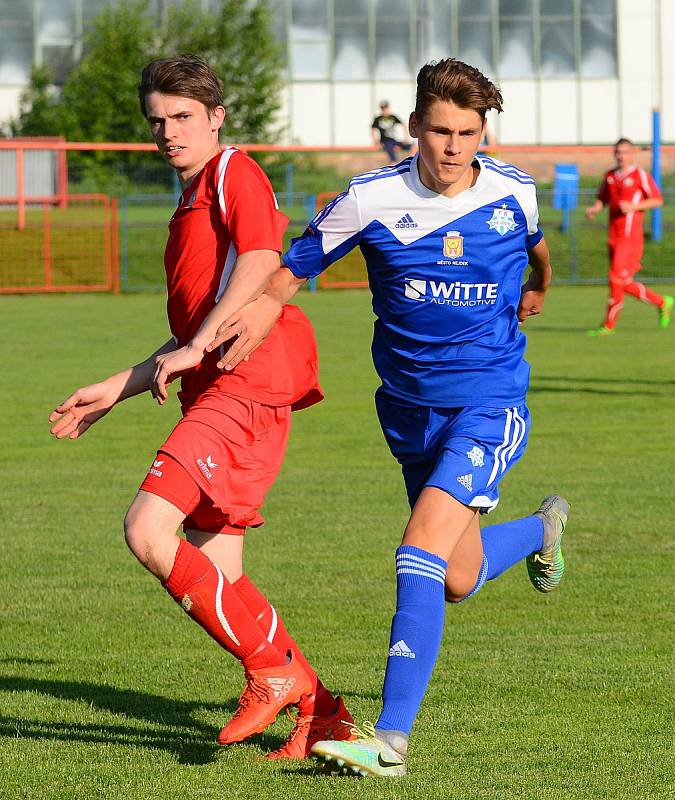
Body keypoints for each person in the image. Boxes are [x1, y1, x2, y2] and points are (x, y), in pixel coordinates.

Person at [205, 58, 570, 777]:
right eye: (440, 130)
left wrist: (536, 289)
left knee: (416, 552)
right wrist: (265, 303)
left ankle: (391, 742)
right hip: (407, 414)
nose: (454, 146)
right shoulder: (369, 199)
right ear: (413, 128)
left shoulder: (512, 190)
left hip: (489, 402)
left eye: (468, 132)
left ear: (482, 132)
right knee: (455, 576)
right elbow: (295, 264)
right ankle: (542, 529)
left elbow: (535, 249)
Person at [48, 55, 354, 760]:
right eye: (157, 120)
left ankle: (271, 673)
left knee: (149, 530)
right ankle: (323, 712)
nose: (167, 132)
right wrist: (117, 387)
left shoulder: (231, 173)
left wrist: (201, 344)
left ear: (216, 117)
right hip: (219, 385)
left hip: (246, 382)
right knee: (223, 575)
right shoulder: (188, 201)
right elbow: (191, 332)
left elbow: (259, 258)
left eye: (182, 116)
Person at [585, 137, 673, 335]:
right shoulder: (609, 176)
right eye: (618, 152)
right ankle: (662, 302)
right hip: (613, 236)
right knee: (623, 282)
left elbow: (657, 200)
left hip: (630, 237)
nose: (620, 156)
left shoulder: (640, 175)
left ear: (632, 154)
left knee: (615, 278)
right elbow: (602, 199)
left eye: (624, 152)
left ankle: (608, 325)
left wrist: (634, 207)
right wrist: (595, 209)